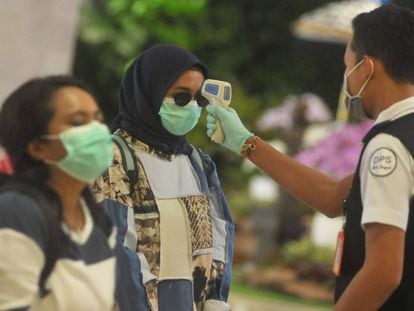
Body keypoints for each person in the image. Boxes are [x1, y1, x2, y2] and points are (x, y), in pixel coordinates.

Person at [205, 4, 414, 311]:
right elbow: (333, 196)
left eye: (348, 66)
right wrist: (246, 142)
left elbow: (383, 273)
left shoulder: (390, 146)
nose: (347, 79)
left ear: (366, 67)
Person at [93, 44, 233, 311]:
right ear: (149, 92)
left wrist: (216, 298)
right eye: (181, 97)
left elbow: (220, 231)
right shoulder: (113, 157)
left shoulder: (198, 163)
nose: (191, 107)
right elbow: (116, 247)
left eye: (197, 99)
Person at [0, 75, 116, 310]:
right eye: (77, 122)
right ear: (38, 147)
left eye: (97, 119)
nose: (96, 131)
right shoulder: (18, 211)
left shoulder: (96, 219)